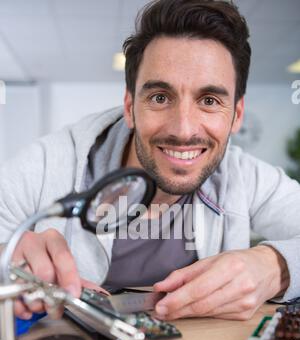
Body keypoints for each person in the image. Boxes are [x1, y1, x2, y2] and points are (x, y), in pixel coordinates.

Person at [0, 0, 299, 322]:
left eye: (209, 100)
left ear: (236, 115)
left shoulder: (246, 177)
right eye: (160, 97)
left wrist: (276, 266)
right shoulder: (44, 166)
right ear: (130, 106)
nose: (183, 129)